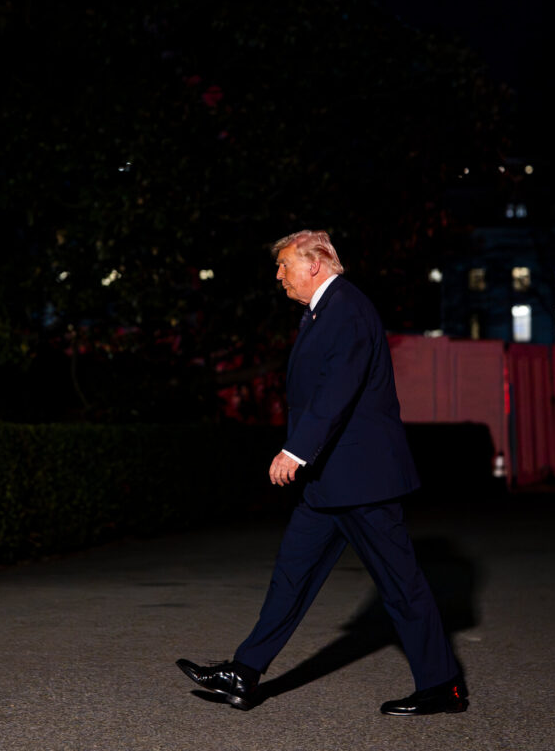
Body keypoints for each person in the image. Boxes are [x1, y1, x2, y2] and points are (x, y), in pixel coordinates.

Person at [176, 229, 467, 715]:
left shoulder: (346, 308)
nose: (278, 275)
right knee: (291, 576)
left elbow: (338, 390)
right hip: (329, 481)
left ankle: (442, 686)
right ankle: (244, 673)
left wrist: (296, 451)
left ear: (314, 264)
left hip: (361, 480)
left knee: (400, 585)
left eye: (284, 265)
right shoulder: (322, 311)